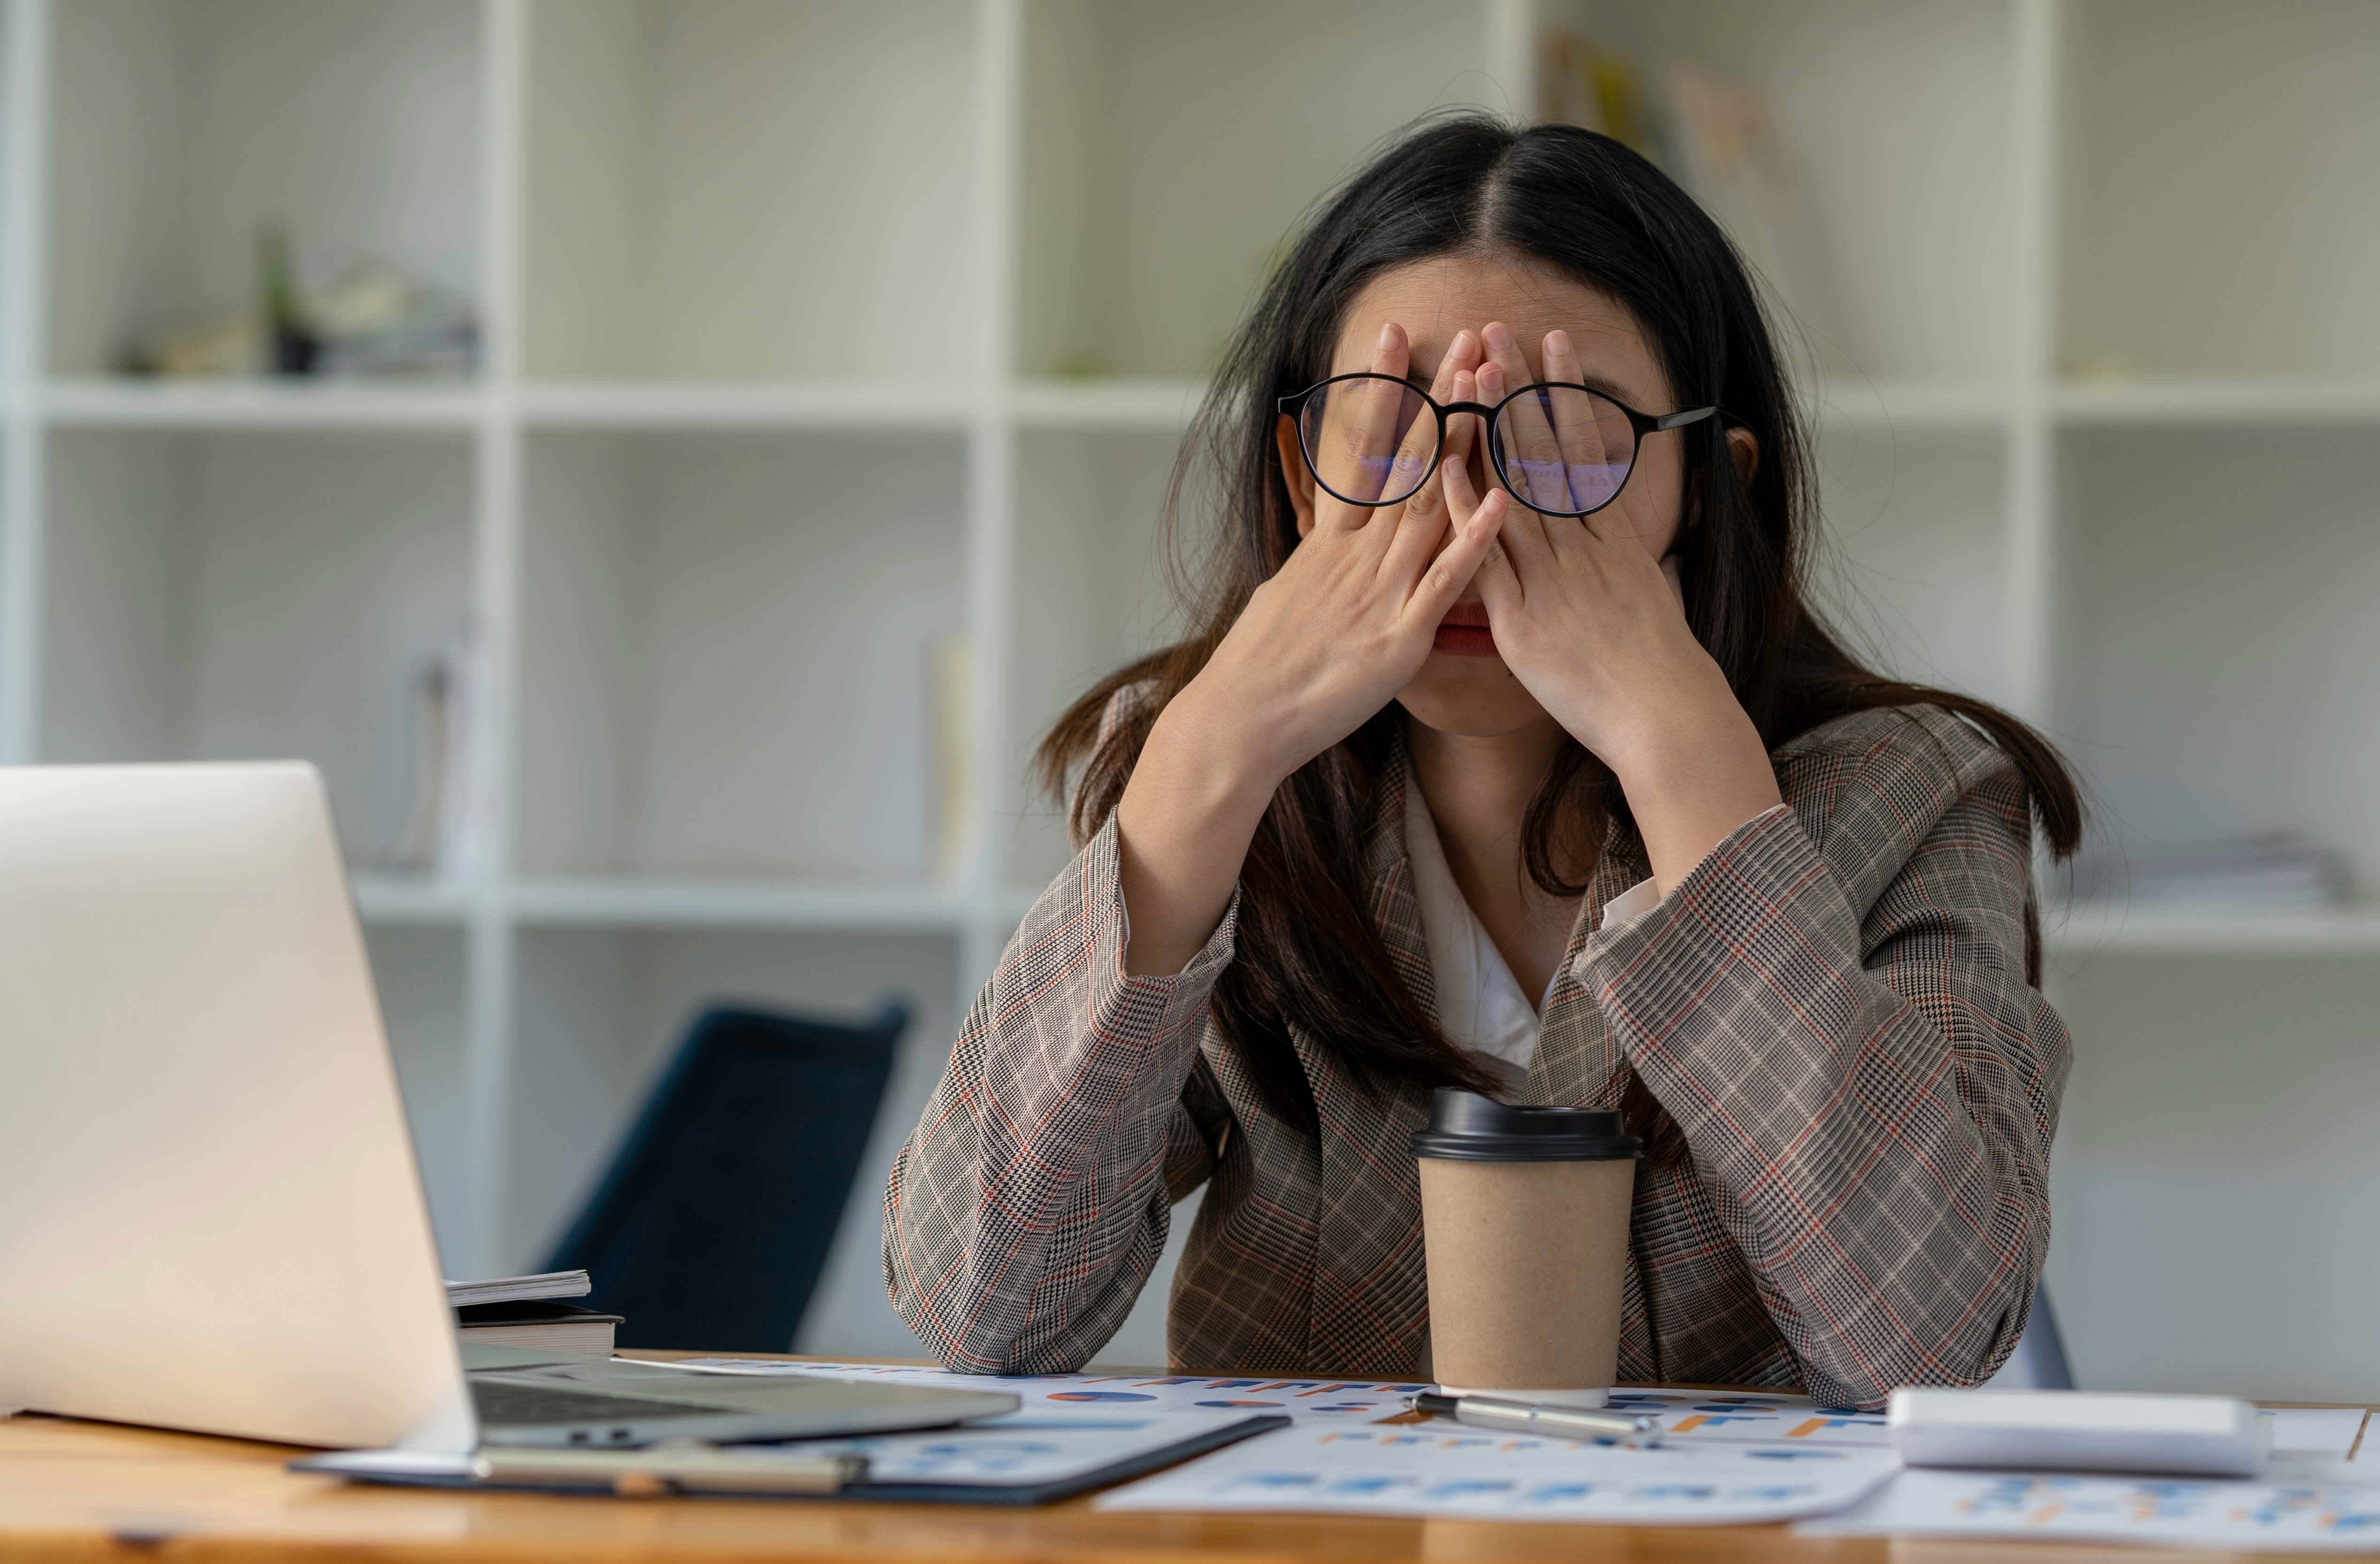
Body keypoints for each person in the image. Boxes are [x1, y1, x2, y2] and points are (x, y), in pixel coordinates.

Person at [883, 116, 2078, 1410]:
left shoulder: (1919, 793)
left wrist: (1693, 771)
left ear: (1709, 490)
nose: (1467, 509)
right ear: (1298, 477)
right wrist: (1207, 760)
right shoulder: (1210, 783)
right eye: (1392, 427)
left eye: (1562, 434)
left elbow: (1922, 1345)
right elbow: (977, 1313)